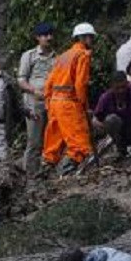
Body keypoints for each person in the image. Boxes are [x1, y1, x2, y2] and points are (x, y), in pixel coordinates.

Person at [43, 23, 97, 174]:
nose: (92, 40)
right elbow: (81, 83)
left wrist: (49, 102)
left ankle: (45, 170)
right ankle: (67, 172)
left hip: (55, 102)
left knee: (53, 141)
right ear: (84, 37)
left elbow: (49, 83)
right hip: (69, 103)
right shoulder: (83, 55)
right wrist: (83, 104)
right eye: (91, 37)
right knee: (79, 142)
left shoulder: (63, 56)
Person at [18, 24, 57, 175]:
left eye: (50, 34)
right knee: (34, 140)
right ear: (37, 37)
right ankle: (29, 174)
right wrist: (34, 90)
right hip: (33, 103)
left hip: (52, 102)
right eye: (45, 35)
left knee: (50, 138)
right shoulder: (29, 55)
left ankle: (45, 171)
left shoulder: (56, 57)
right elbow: (21, 80)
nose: (49, 38)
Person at [91, 72, 131, 160]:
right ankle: (121, 150)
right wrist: (102, 126)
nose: (121, 91)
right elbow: (95, 119)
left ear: (127, 84)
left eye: (123, 87)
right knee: (111, 119)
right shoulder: (106, 97)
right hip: (119, 135)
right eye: (117, 88)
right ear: (111, 86)